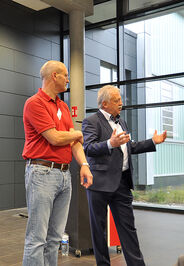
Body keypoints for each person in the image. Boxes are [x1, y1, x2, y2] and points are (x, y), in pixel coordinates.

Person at [82, 85, 166, 266]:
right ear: (104, 104)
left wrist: (153, 142)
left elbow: (130, 147)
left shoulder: (122, 122)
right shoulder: (91, 121)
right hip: (99, 185)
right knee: (99, 231)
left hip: (122, 183)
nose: (121, 103)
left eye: (120, 99)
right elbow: (88, 148)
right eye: (116, 100)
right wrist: (110, 143)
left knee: (128, 230)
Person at [22, 60, 93, 265]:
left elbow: (74, 143)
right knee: (37, 238)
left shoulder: (62, 106)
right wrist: (77, 133)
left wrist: (85, 165)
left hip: (64, 175)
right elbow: (54, 137)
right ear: (54, 76)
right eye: (65, 75)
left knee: (54, 238)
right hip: (41, 173)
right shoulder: (34, 103)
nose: (68, 79)